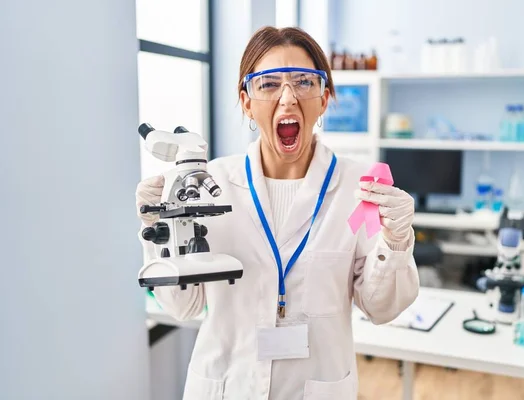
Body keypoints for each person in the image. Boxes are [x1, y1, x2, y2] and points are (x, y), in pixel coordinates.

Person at [136, 26, 419, 400]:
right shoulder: (210, 185)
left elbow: (382, 309)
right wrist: (163, 227)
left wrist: (396, 244)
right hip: (227, 385)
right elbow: (183, 306)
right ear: (247, 101)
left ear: (325, 97)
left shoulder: (359, 189)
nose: (288, 98)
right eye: (268, 84)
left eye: (304, 81)